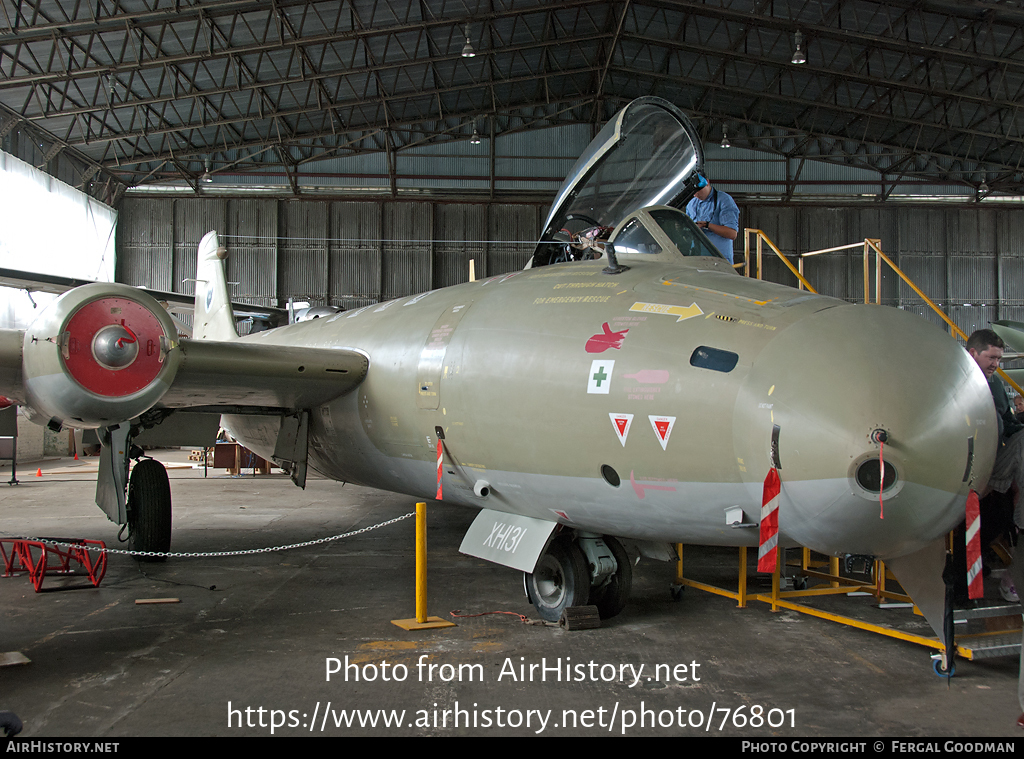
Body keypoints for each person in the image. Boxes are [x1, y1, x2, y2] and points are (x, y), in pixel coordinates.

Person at [965, 330, 1024, 728]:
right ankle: (971, 578)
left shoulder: (998, 387)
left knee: (995, 522)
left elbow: (1003, 425)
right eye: (992, 358)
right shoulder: (956, 381)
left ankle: (990, 576)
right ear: (973, 353)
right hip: (975, 473)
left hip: (993, 473)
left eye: (1000, 359)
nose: (996, 365)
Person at [685, 175, 740, 264]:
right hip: (697, 261)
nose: (696, 195)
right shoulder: (691, 204)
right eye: (693, 193)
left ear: (707, 182)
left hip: (719, 262)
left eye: (698, 190)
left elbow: (732, 233)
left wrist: (707, 225)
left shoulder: (724, 200)